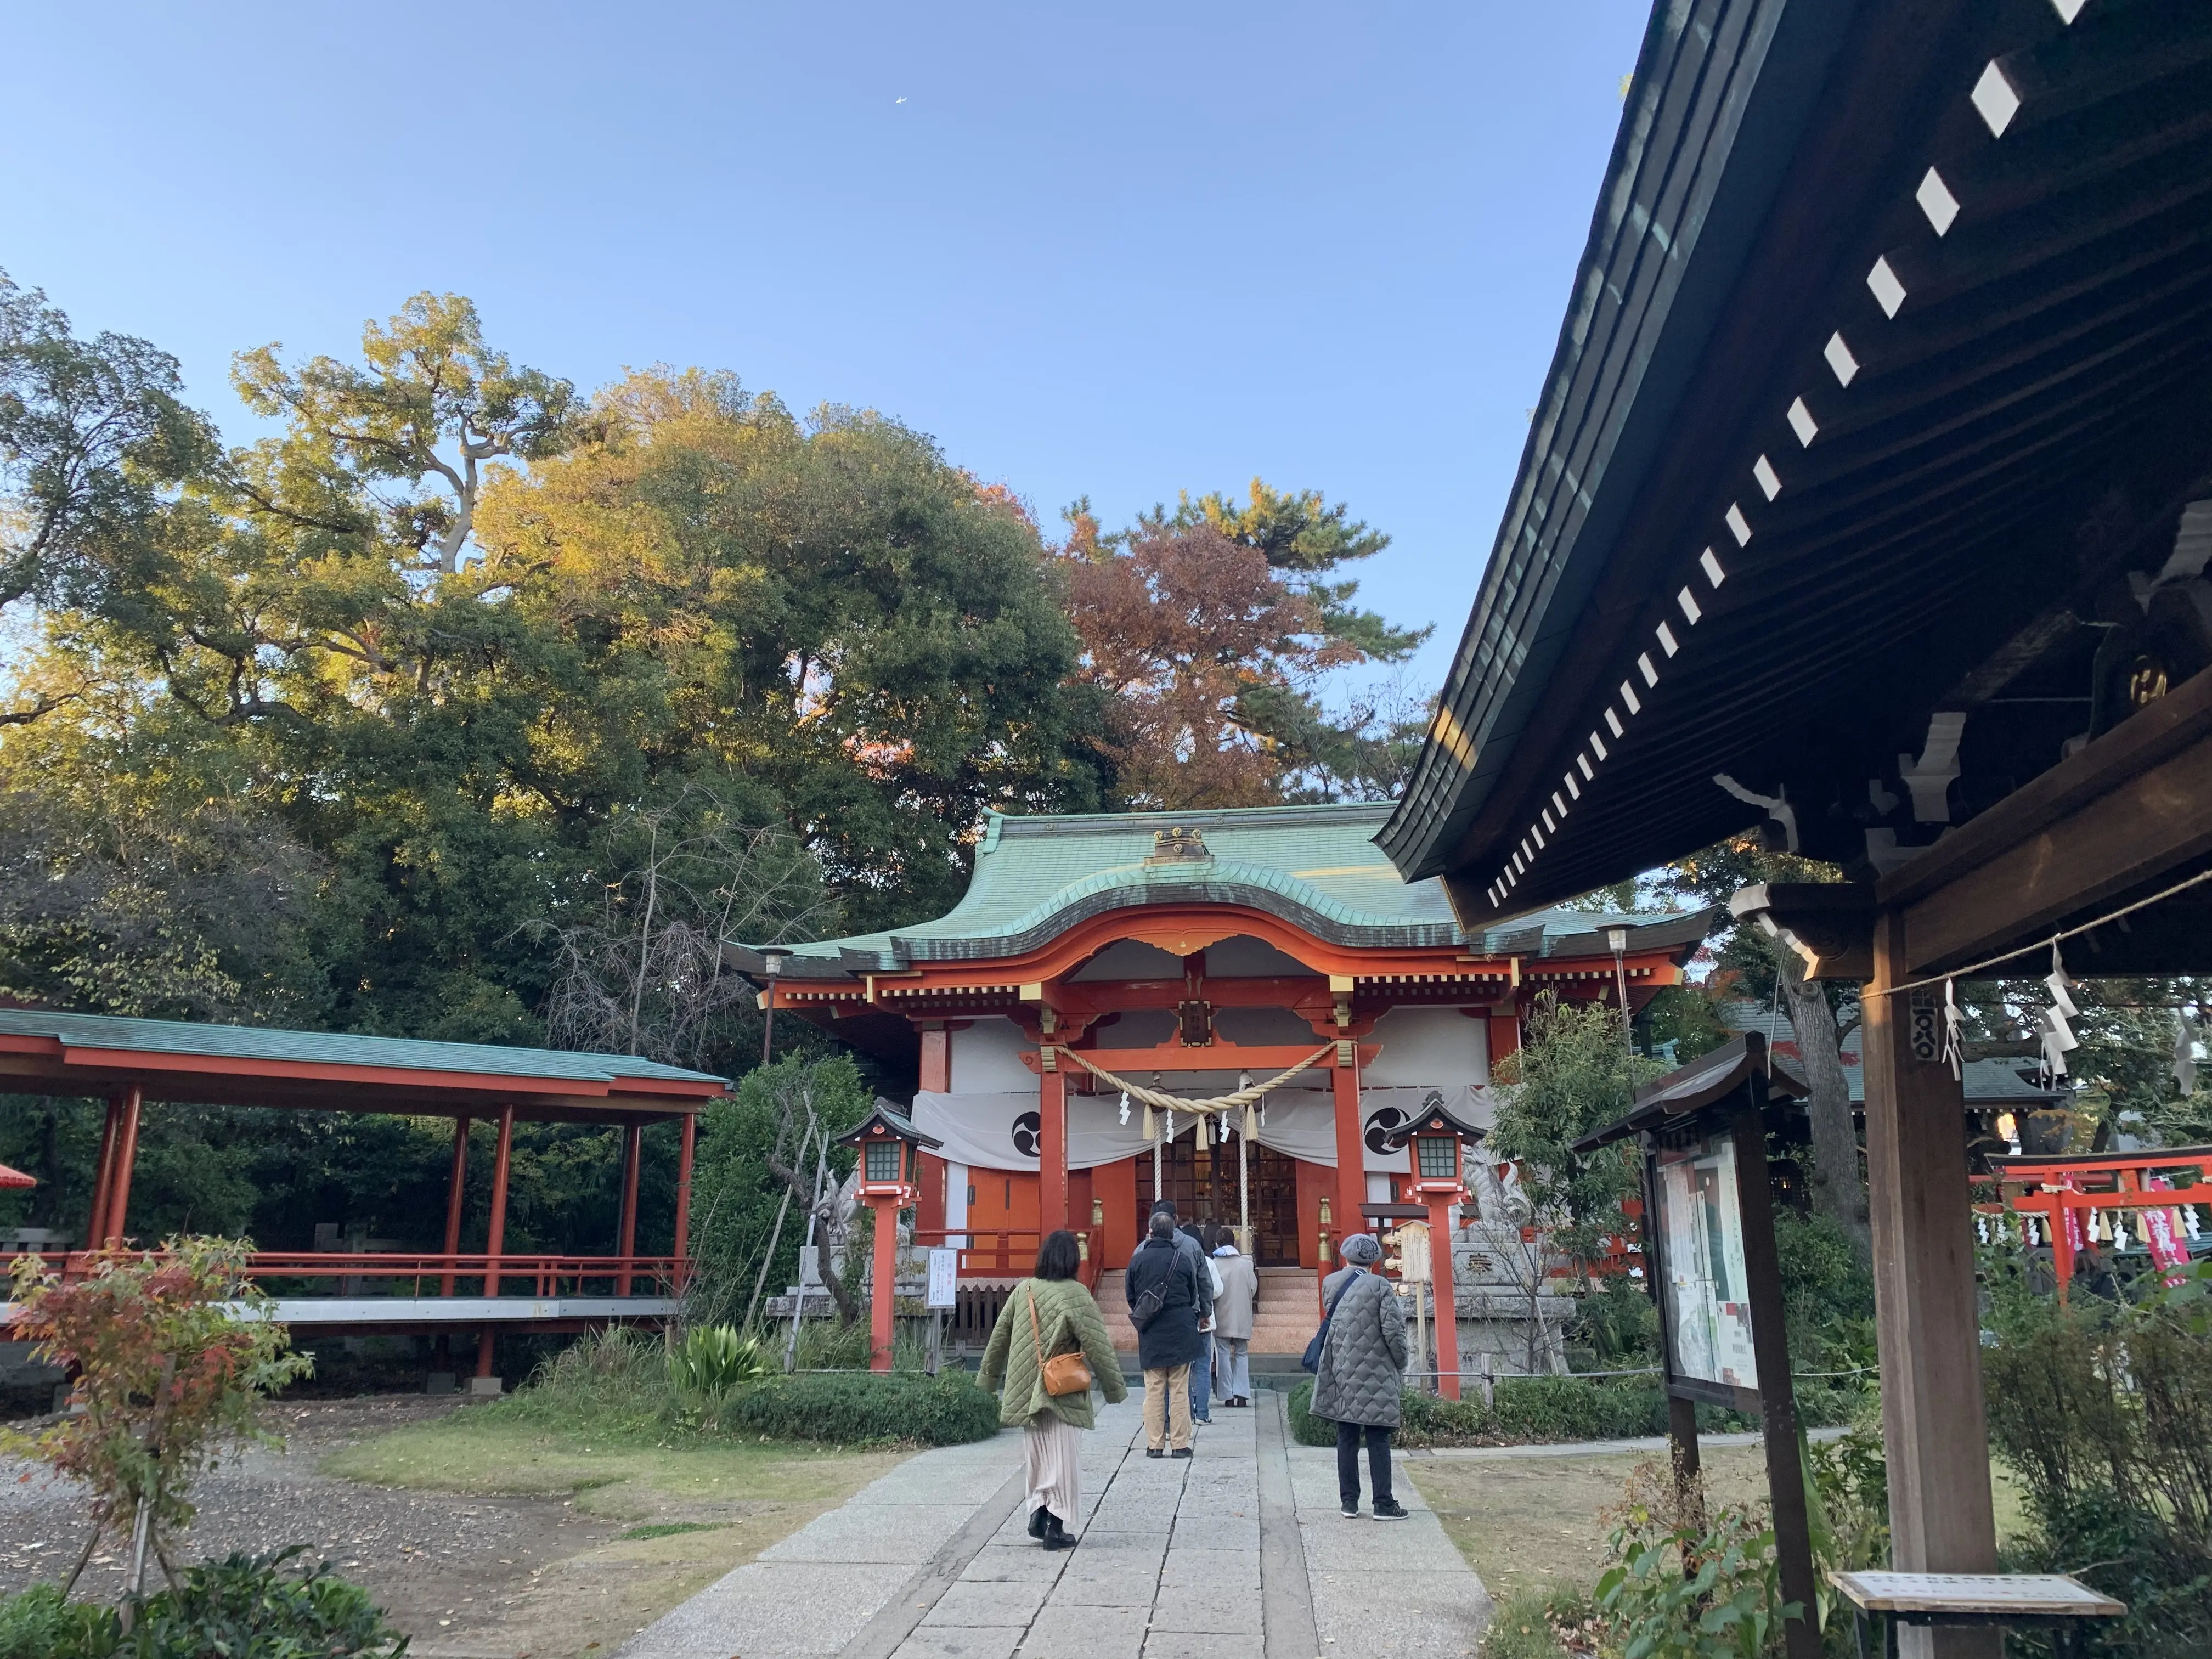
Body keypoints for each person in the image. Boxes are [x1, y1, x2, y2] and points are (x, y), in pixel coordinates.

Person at [978, 1228, 1128, 1550]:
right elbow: (1098, 1345)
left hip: (1026, 1387)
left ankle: (1038, 1513)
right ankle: (1055, 1528)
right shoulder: (1076, 1294)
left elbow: (998, 1339)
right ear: (1073, 1259)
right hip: (1061, 1388)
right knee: (1062, 1460)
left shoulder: (1023, 1291)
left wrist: (987, 1381)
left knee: (1038, 1457)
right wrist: (1115, 1388)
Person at [1310, 1232, 1410, 1520]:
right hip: (1377, 1370)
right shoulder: (1380, 1286)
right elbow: (1393, 1331)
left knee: (1347, 1436)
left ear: (1345, 1256)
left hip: (1342, 1369)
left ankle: (1349, 1502)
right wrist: (1401, 1361)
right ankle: (1383, 1503)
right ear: (1374, 1260)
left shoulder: (1331, 1283)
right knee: (1378, 1437)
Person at [1125, 1209, 1204, 1458]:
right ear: (1173, 1233)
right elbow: (1193, 1295)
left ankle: (1154, 1445)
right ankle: (1180, 1444)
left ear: (1150, 1231)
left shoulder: (1137, 1260)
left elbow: (1131, 1297)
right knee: (1179, 1389)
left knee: (1154, 1390)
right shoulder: (1181, 1259)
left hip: (1152, 1331)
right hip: (1181, 1327)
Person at [1210, 1230, 1259, 1407]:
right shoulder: (1246, 1265)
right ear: (1234, 1243)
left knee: (1222, 1354)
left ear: (1216, 1244)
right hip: (1241, 1315)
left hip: (1221, 1313)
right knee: (1242, 1353)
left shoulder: (1214, 1264)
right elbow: (1253, 1288)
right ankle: (1242, 1394)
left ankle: (1227, 1395)